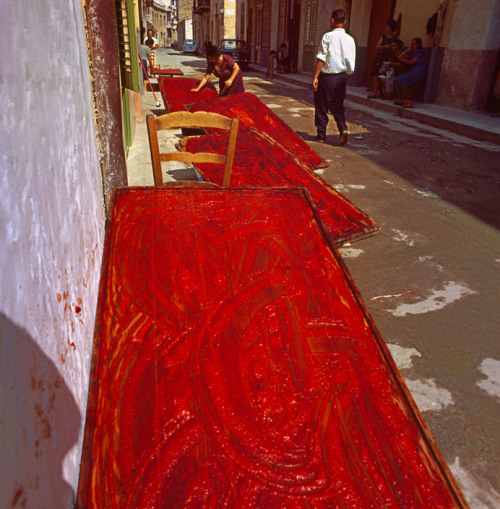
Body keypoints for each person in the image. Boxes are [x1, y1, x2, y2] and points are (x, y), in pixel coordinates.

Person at [312, 8, 355, 146]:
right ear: (345, 21)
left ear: (332, 21)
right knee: (338, 105)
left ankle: (321, 135)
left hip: (327, 77)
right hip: (341, 77)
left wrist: (315, 77)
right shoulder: (350, 39)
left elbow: (321, 58)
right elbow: (351, 63)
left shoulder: (327, 37)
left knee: (322, 106)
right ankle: (343, 129)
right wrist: (346, 72)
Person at [368, 20, 398, 97]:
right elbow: (377, 47)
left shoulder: (395, 38)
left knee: (384, 75)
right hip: (380, 57)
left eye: (388, 27)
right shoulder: (383, 37)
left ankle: (383, 92)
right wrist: (385, 46)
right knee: (375, 73)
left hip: (388, 58)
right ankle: (375, 91)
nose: (386, 29)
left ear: (391, 28)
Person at [393, 37, 426, 107]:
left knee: (399, 80)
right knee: (396, 80)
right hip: (412, 71)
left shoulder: (420, 52)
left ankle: (407, 99)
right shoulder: (411, 52)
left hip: (418, 72)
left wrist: (402, 59)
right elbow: (399, 57)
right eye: (411, 44)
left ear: (418, 45)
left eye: (414, 44)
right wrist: (408, 50)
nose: (412, 45)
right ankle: (403, 99)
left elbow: (411, 62)